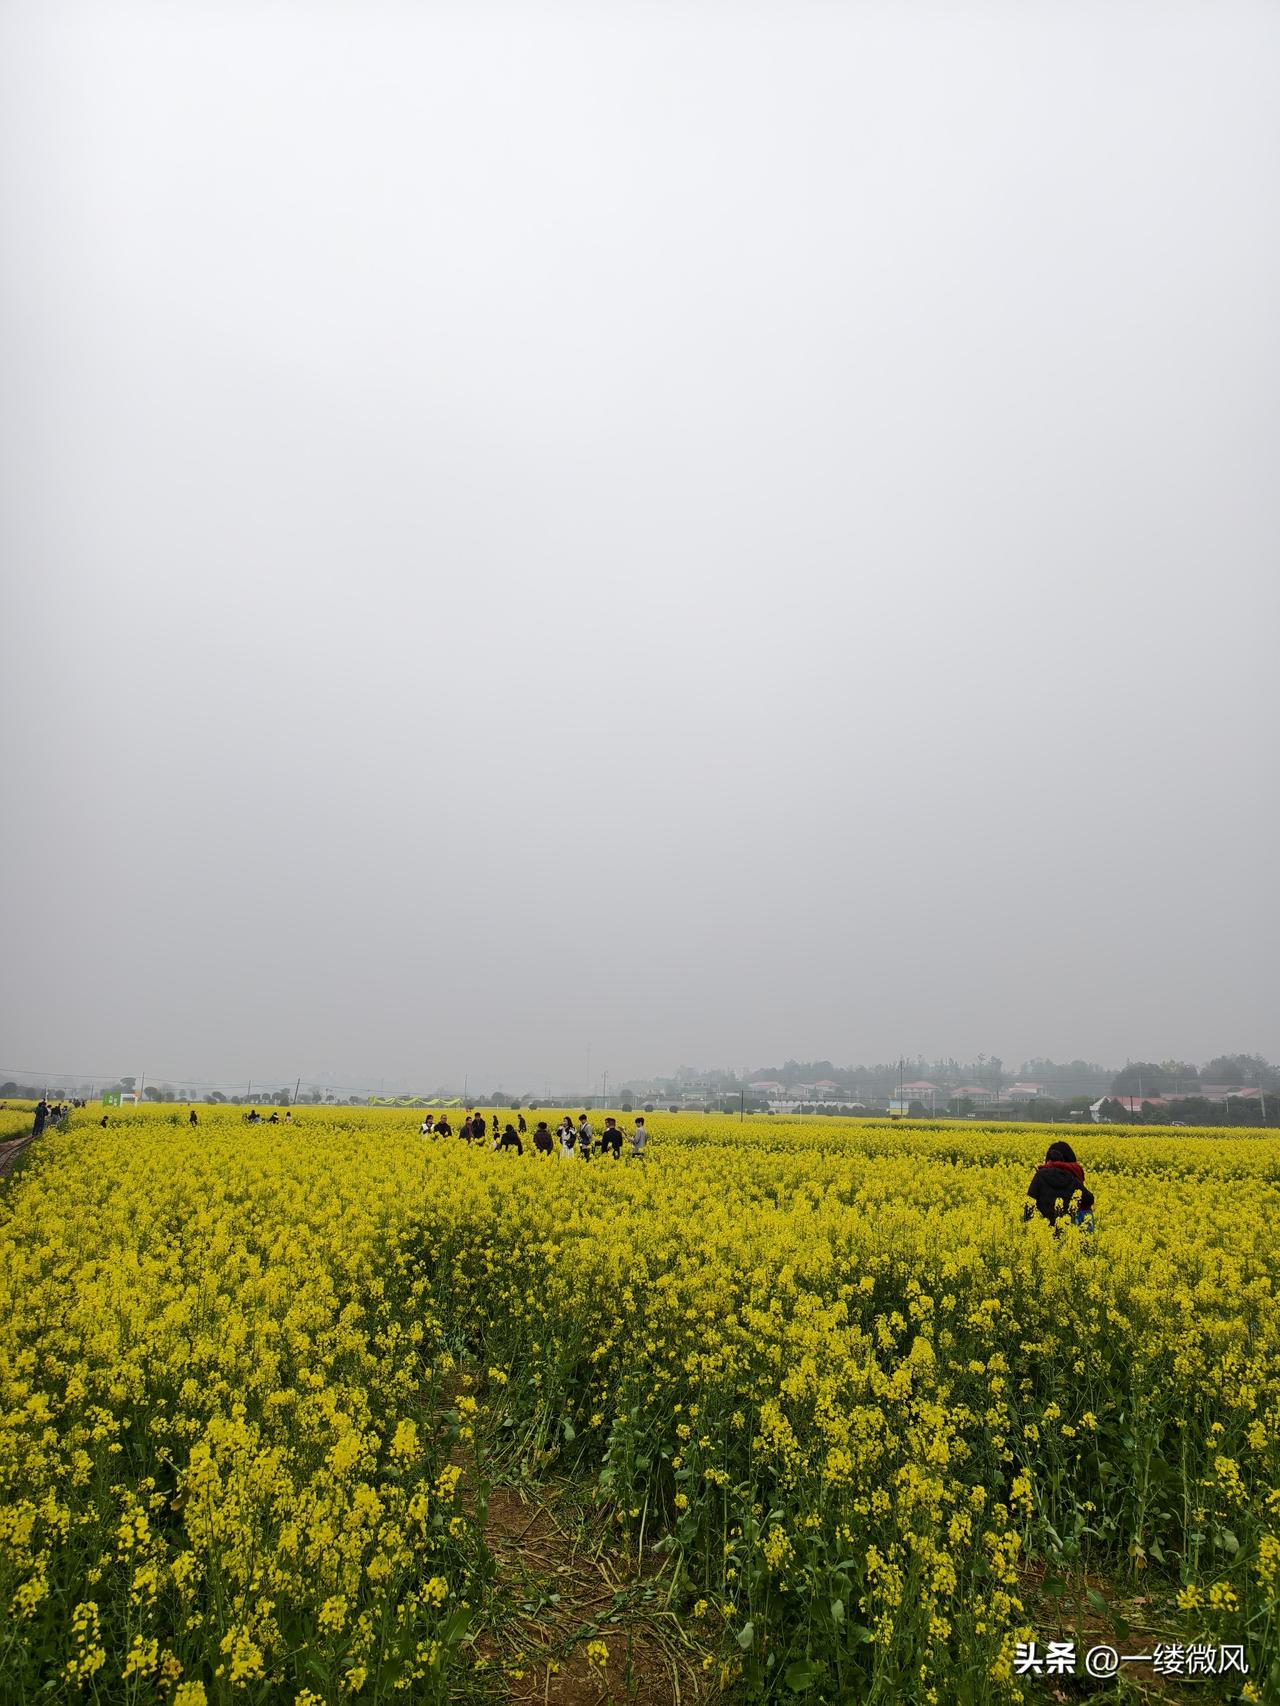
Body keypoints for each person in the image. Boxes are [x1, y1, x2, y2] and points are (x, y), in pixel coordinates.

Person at [1025, 1141, 1095, 1231]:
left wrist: (1027, 1227)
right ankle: (1085, 1241)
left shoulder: (1040, 1175)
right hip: (1068, 1228)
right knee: (1086, 1213)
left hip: (1044, 1229)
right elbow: (1089, 1199)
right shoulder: (1071, 1177)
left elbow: (1030, 1202)